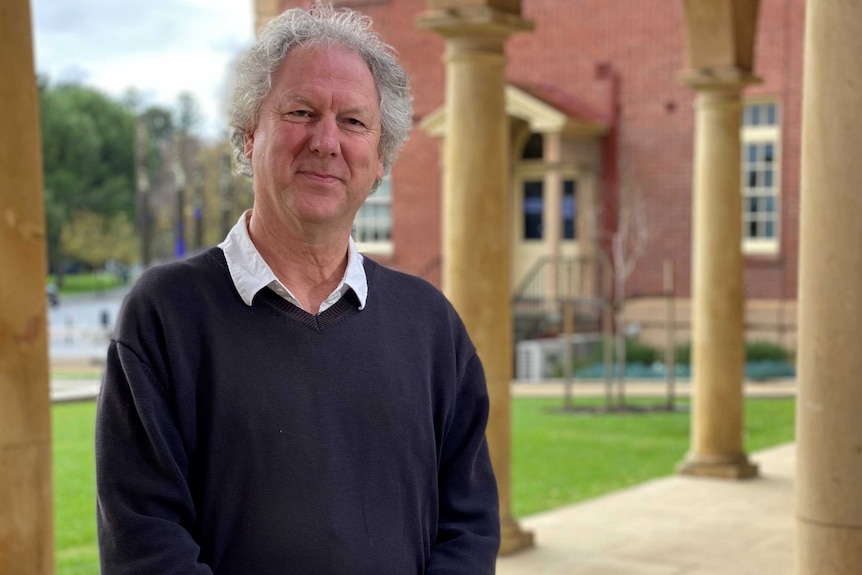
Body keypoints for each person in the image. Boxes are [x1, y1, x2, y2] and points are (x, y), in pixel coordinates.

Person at [94, 3, 500, 574]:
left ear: (380, 158)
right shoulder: (167, 316)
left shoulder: (431, 326)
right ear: (249, 134)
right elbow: (146, 542)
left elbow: (469, 527)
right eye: (302, 111)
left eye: (354, 122)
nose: (326, 141)